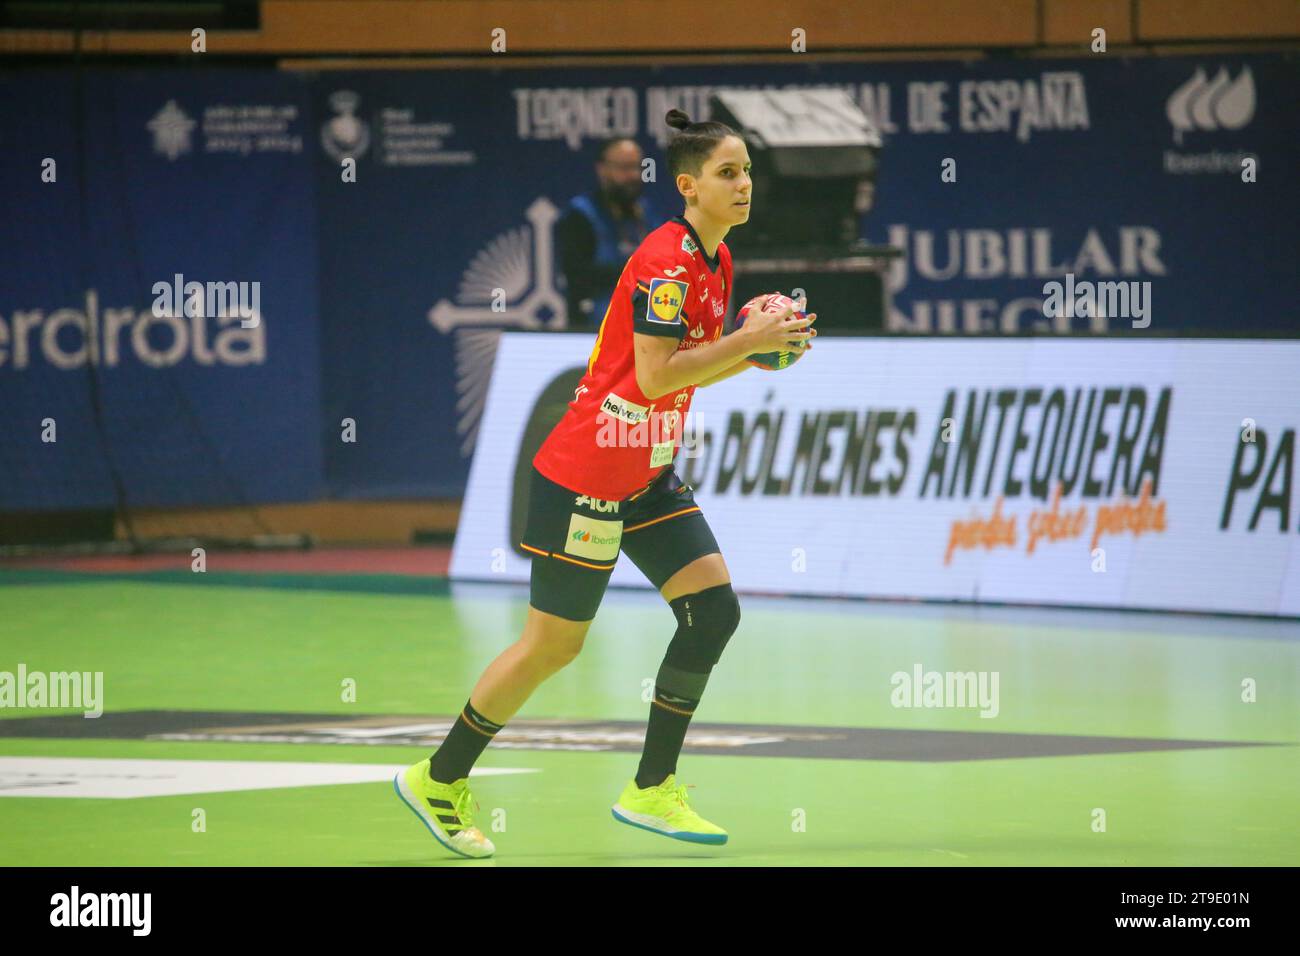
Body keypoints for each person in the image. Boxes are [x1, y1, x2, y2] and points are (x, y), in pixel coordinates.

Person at [394, 108, 817, 858]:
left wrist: (753, 351)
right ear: (688, 187)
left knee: (713, 612)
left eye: (747, 170)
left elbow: (684, 374)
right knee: (552, 648)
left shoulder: (716, 262)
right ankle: (437, 777)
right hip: (587, 475)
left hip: (646, 473)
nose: (744, 184)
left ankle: (652, 789)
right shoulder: (666, 260)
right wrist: (747, 344)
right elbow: (655, 376)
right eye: (727, 173)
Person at [557, 137, 663, 329]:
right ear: (602, 169)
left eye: (637, 167)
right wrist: (635, 272)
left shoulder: (646, 214)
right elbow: (577, 274)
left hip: (644, 329)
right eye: (624, 167)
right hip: (594, 329)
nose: (633, 175)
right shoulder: (581, 215)